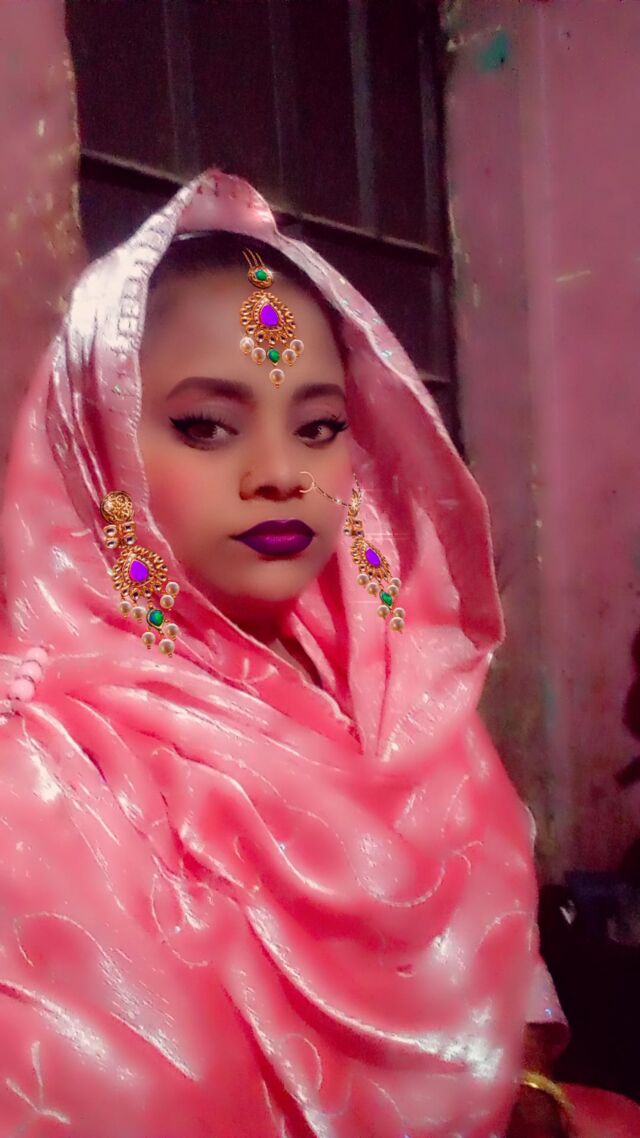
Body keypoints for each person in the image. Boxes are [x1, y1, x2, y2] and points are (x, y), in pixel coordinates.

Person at [0, 168, 627, 1137]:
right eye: (206, 426)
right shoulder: (49, 766)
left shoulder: (397, 696)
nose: (282, 474)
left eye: (320, 427)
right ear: (99, 445)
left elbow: (511, 1013)